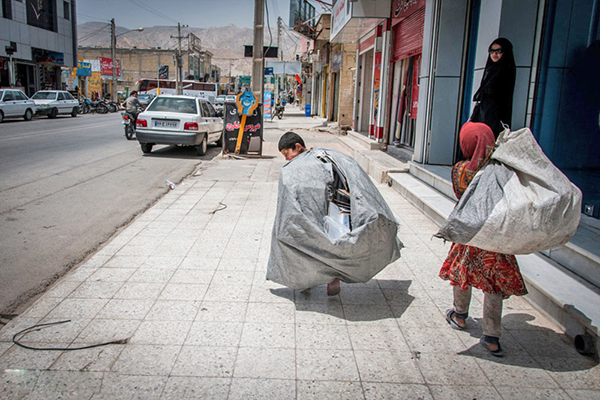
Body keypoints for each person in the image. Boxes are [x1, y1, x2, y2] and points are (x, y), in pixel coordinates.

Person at [440, 121, 528, 357]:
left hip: (469, 237)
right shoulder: (503, 172)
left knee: (461, 276)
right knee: (494, 285)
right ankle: (491, 337)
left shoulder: (460, 170)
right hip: (495, 239)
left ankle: (459, 315)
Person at [470, 38, 516, 138]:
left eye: (498, 51)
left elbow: (502, 96)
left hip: (496, 114)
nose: (494, 54)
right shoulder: (491, 69)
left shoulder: (505, 69)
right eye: (491, 51)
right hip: (484, 112)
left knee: (488, 140)